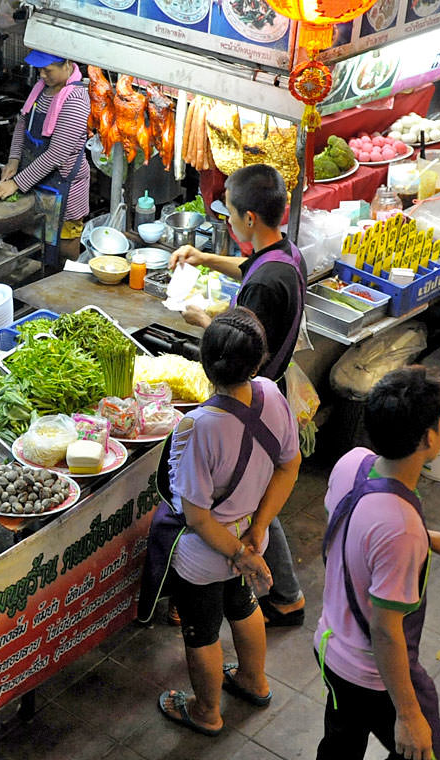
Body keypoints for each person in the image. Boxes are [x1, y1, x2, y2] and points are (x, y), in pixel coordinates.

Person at [313, 366, 440, 760]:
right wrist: (408, 713)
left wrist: (428, 538)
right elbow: (387, 632)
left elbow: (357, 531)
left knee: (341, 743)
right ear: (427, 439)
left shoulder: (353, 464)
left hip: (331, 646)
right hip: (369, 673)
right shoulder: (401, 527)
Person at [143, 308, 302, 736]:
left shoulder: (198, 425)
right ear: (258, 360)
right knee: (243, 605)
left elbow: (196, 515)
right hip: (251, 537)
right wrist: (257, 531)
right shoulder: (271, 393)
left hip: (206, 553)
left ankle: (206, 712)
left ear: (206, 363)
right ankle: (254, 680)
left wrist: (237, 552)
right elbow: (290, 465)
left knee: (202, 631)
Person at [168, 164, 308, 627]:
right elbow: (249, 267)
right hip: (268, 390)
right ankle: (281, 590)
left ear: (249, 218)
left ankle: (278, 590)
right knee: (262, 487)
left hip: (250, 395)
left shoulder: (266, 286)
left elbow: (242, 345)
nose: (225, 219)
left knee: (253, 493)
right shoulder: (285, 255)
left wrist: (204, 323)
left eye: (228, 212)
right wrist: (203, 258)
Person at [0, 50, 90, 261]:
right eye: (39, 70)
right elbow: (22, 123)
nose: (42, 75)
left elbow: (56, 154)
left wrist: (16, 183)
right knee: (36, 243)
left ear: (68, 63)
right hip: (36, 182)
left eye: (48, 70)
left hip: (65, 189)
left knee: (63, 248)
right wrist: (14, 159)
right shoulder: (41, 89)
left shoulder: (76, 99)